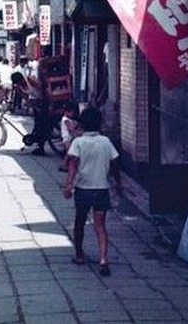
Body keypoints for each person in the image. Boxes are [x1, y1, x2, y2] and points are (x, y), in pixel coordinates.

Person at [62, 106, 122, 276]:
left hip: (83, 190)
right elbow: (115, 164)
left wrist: (69, 185)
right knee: (100, 225)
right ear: (99, 123)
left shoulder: (78, 143)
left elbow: (72, 165)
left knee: (79, 222)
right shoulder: (105, 142)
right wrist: (119, 184)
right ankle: (103, 259)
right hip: (101, 189)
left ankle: (79, 255)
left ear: (82, 123)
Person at [11, 71, 49, 155]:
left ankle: (41, 148)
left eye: (20, 82)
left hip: (44, 101)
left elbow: (42, 89)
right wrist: (31, 104)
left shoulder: (30, 80)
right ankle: (39, 146)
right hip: (36, 103)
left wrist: (41, 102)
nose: (20, 84)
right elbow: (25, 97)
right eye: (18, 83)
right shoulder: (19, 87)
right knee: (37, 125)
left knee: (41, 126)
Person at [58, 102, 81, 172]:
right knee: (69, 153)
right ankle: (64, 165)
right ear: (67, 112)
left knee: (69, 153)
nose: (72, 114)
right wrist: (76, 128)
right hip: (67, 139)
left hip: (68, 138)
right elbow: (70, 129)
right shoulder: (66, 120)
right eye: (71, 112)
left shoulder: (67, 119)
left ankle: (65, 165)